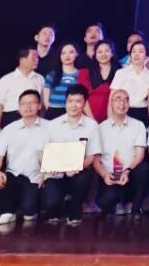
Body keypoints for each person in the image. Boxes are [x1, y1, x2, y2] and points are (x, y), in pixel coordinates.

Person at [42, 85, 102, 224]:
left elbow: (92, 155)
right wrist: (53, 166)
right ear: (65, 102)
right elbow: (45, 152)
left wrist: (76, 166)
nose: (74, 105)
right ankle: (60, 204)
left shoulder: (91, 125)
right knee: (52, 205)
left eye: (78, 101)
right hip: (56, 173)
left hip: (78, 171)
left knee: (85, 177)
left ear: (85, 103)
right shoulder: (53, 125)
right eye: (70, 101)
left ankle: (75, 209)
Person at [0, 90, 49, 224]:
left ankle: (30, 209)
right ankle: (7, 212)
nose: (28, 107)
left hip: (37, 178)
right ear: (18, 107)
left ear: (39, 106)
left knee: (29, 210)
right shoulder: (10, 129)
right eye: (23, 104)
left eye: (32, 103)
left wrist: (47, 174)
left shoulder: (50, 127)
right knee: (0, 177)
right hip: (13, 175)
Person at [94, 88, 148, 216]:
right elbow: (96, 160)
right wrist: (104, 175)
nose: (122, 103)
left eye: (126, 100)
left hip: (130, 173)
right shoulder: (100, 128)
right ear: (111, 103)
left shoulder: (138, 125)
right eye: (118, 100)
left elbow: (140, 154)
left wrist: (127, 171)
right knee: (106, 201)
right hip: (110, 175)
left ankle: (135, 208)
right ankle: (118, 201)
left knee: (144, 168)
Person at [0, 49, 45, 128]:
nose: (37, 60)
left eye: (37, 58)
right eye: (34, 57)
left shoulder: (40, 78)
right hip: (11, 118)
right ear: (22, 60)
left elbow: (42, 104)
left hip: (33, 118)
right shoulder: (6, 79)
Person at [111, 41, 149, 125]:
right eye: (134, 51)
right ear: (130, 55)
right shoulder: (121, 73)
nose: (136, 54)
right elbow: (111, 98)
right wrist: (110, 119)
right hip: (124, 111)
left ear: (146, 55)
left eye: (140, 51)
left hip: (143, 112)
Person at [43, 42, 84, 120]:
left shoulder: (81, 74)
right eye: (63, 53)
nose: (67, 56)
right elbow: (46, 97)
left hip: (73, 111)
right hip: (53, 111)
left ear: (76, 54)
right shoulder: (52, 75)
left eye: (71, 52)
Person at [81, 40, 117, 124]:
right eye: (100, 52)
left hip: (113, 120)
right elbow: (82, 98)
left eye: (106, 51)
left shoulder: (119, 72)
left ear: (112, 53)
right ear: (95, 54)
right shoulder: (86, 73)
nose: (103, 54)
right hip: (89, 119)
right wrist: (92, 121)